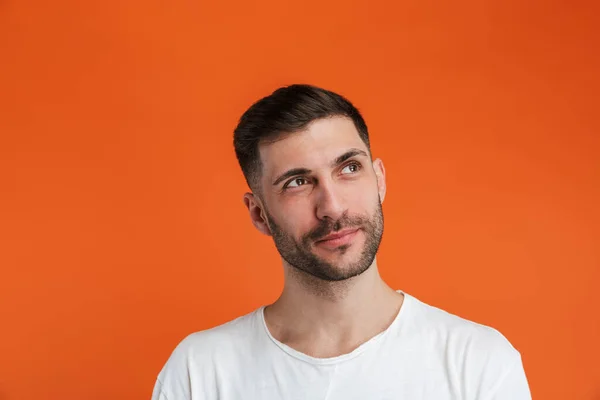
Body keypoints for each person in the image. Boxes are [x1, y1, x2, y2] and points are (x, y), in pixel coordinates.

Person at [151, 84, 531, 399]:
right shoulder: (198, 372)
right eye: (297, 182)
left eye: (349, 168)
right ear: (258, 213)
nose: (332, 207)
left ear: (379, 179)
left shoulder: (478, 362)